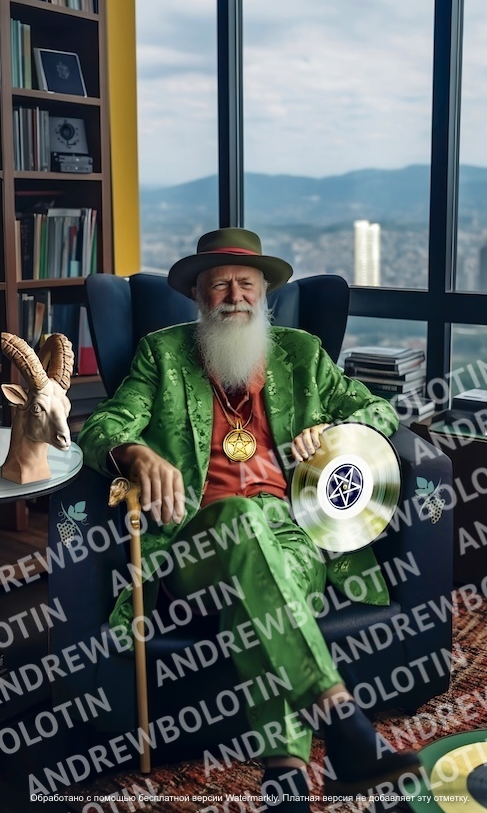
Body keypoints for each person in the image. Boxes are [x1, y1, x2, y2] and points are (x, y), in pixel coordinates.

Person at [79, 228, 420, 811]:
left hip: (294, 532)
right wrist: (135, 454)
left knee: (266, 584)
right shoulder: (162, 355)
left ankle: (285, 781)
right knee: (242, 520)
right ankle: (343, 724)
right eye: (219, 285)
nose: (234, 296)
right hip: (196, 540)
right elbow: (101, 426)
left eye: (246, 284)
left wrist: (337, 431)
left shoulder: (302, 354)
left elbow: (379, 409)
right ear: (198, 295)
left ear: (264, 293)